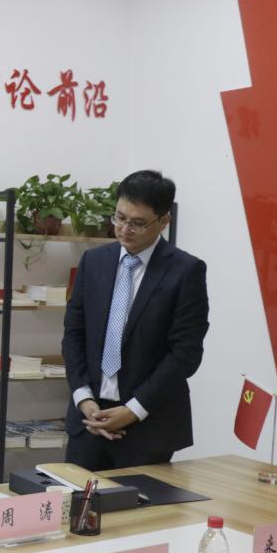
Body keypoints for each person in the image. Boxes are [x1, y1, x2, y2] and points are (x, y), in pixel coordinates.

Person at [62, 169, 209, 471]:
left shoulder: (185, 271)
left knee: (139, 502)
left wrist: (132, 410)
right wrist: (83, 398)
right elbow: (74, 333)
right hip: (89, 421)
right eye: (119, 217)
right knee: (76, 500)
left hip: (148, 426)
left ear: (164, 221)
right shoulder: (94, 261)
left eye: (138, 223)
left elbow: (185, 354)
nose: (125, 229)